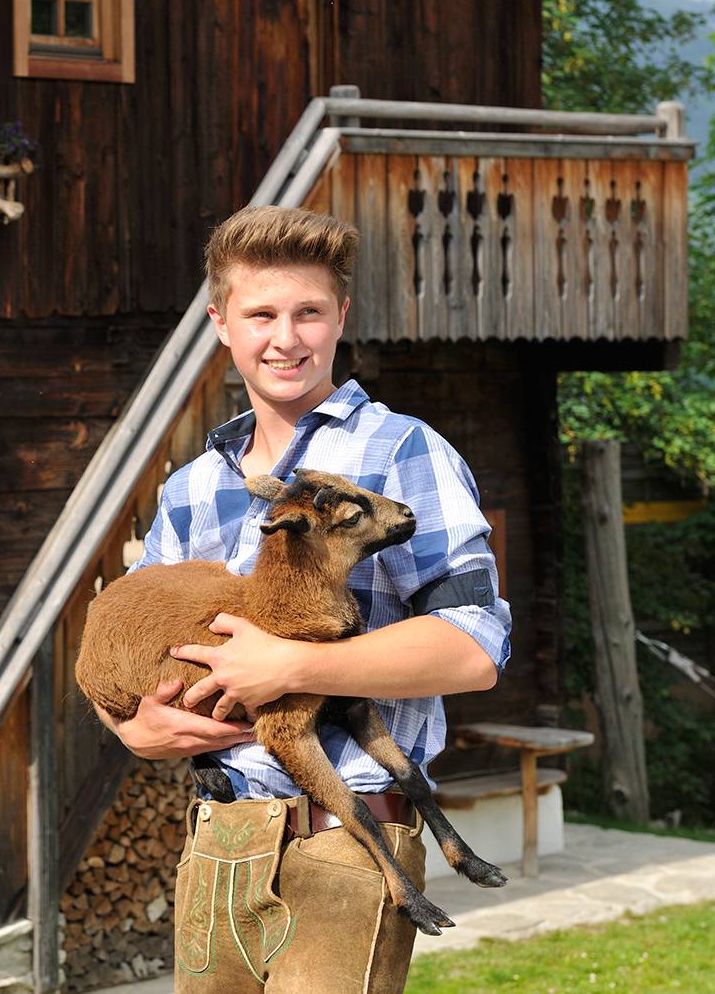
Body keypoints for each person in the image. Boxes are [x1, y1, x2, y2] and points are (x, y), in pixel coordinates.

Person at [97, 205, 511, 993]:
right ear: (221, 323)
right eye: (260, 314)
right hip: (219, 833)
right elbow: (128, 640)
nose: (284, 338)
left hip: (349, 840)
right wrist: (128, 726)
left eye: (307, 312)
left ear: (339, 317)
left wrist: (287, 664)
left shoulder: (400, 451)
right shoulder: (191, 489)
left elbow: (473, 646)